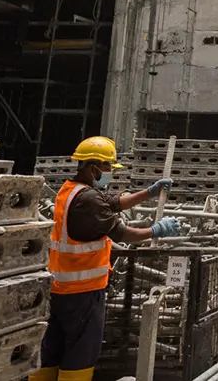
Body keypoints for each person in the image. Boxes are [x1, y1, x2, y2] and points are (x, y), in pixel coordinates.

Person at [29, 136, 183, 381]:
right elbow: (122, 233)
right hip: (83, 293)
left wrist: (150, 192)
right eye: (108, 167)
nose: (110, 172)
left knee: (51, 351)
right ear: (94, 168)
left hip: (59, 288)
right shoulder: (88, 199)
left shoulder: (69, 191)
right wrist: (156, 230)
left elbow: (112, 203)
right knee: (80, 355)